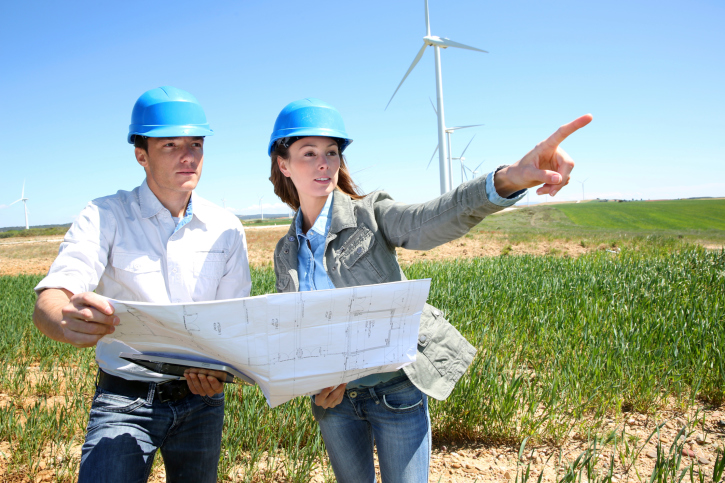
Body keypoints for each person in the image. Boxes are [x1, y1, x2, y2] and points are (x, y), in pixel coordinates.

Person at [268, 98, 592, 482]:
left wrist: (509, 179)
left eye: (332, 152)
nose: (324, 163)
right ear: (283, 164)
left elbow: (431, 218)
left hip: (395, 390)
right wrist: (313, 385)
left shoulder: (372, 213)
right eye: (309, 153)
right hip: (334, 401)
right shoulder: (286, 251)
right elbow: (296, 332)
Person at [32, 86, 251, 483]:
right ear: (141, 155)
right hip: (124, 399)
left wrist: (221, 371)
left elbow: (232, 320)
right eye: (170, 144)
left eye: (196, 143)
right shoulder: (105, 215)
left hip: (202, 401)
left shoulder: (227, 228)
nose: (188, 156)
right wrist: (63, 320)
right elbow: (55, 293)